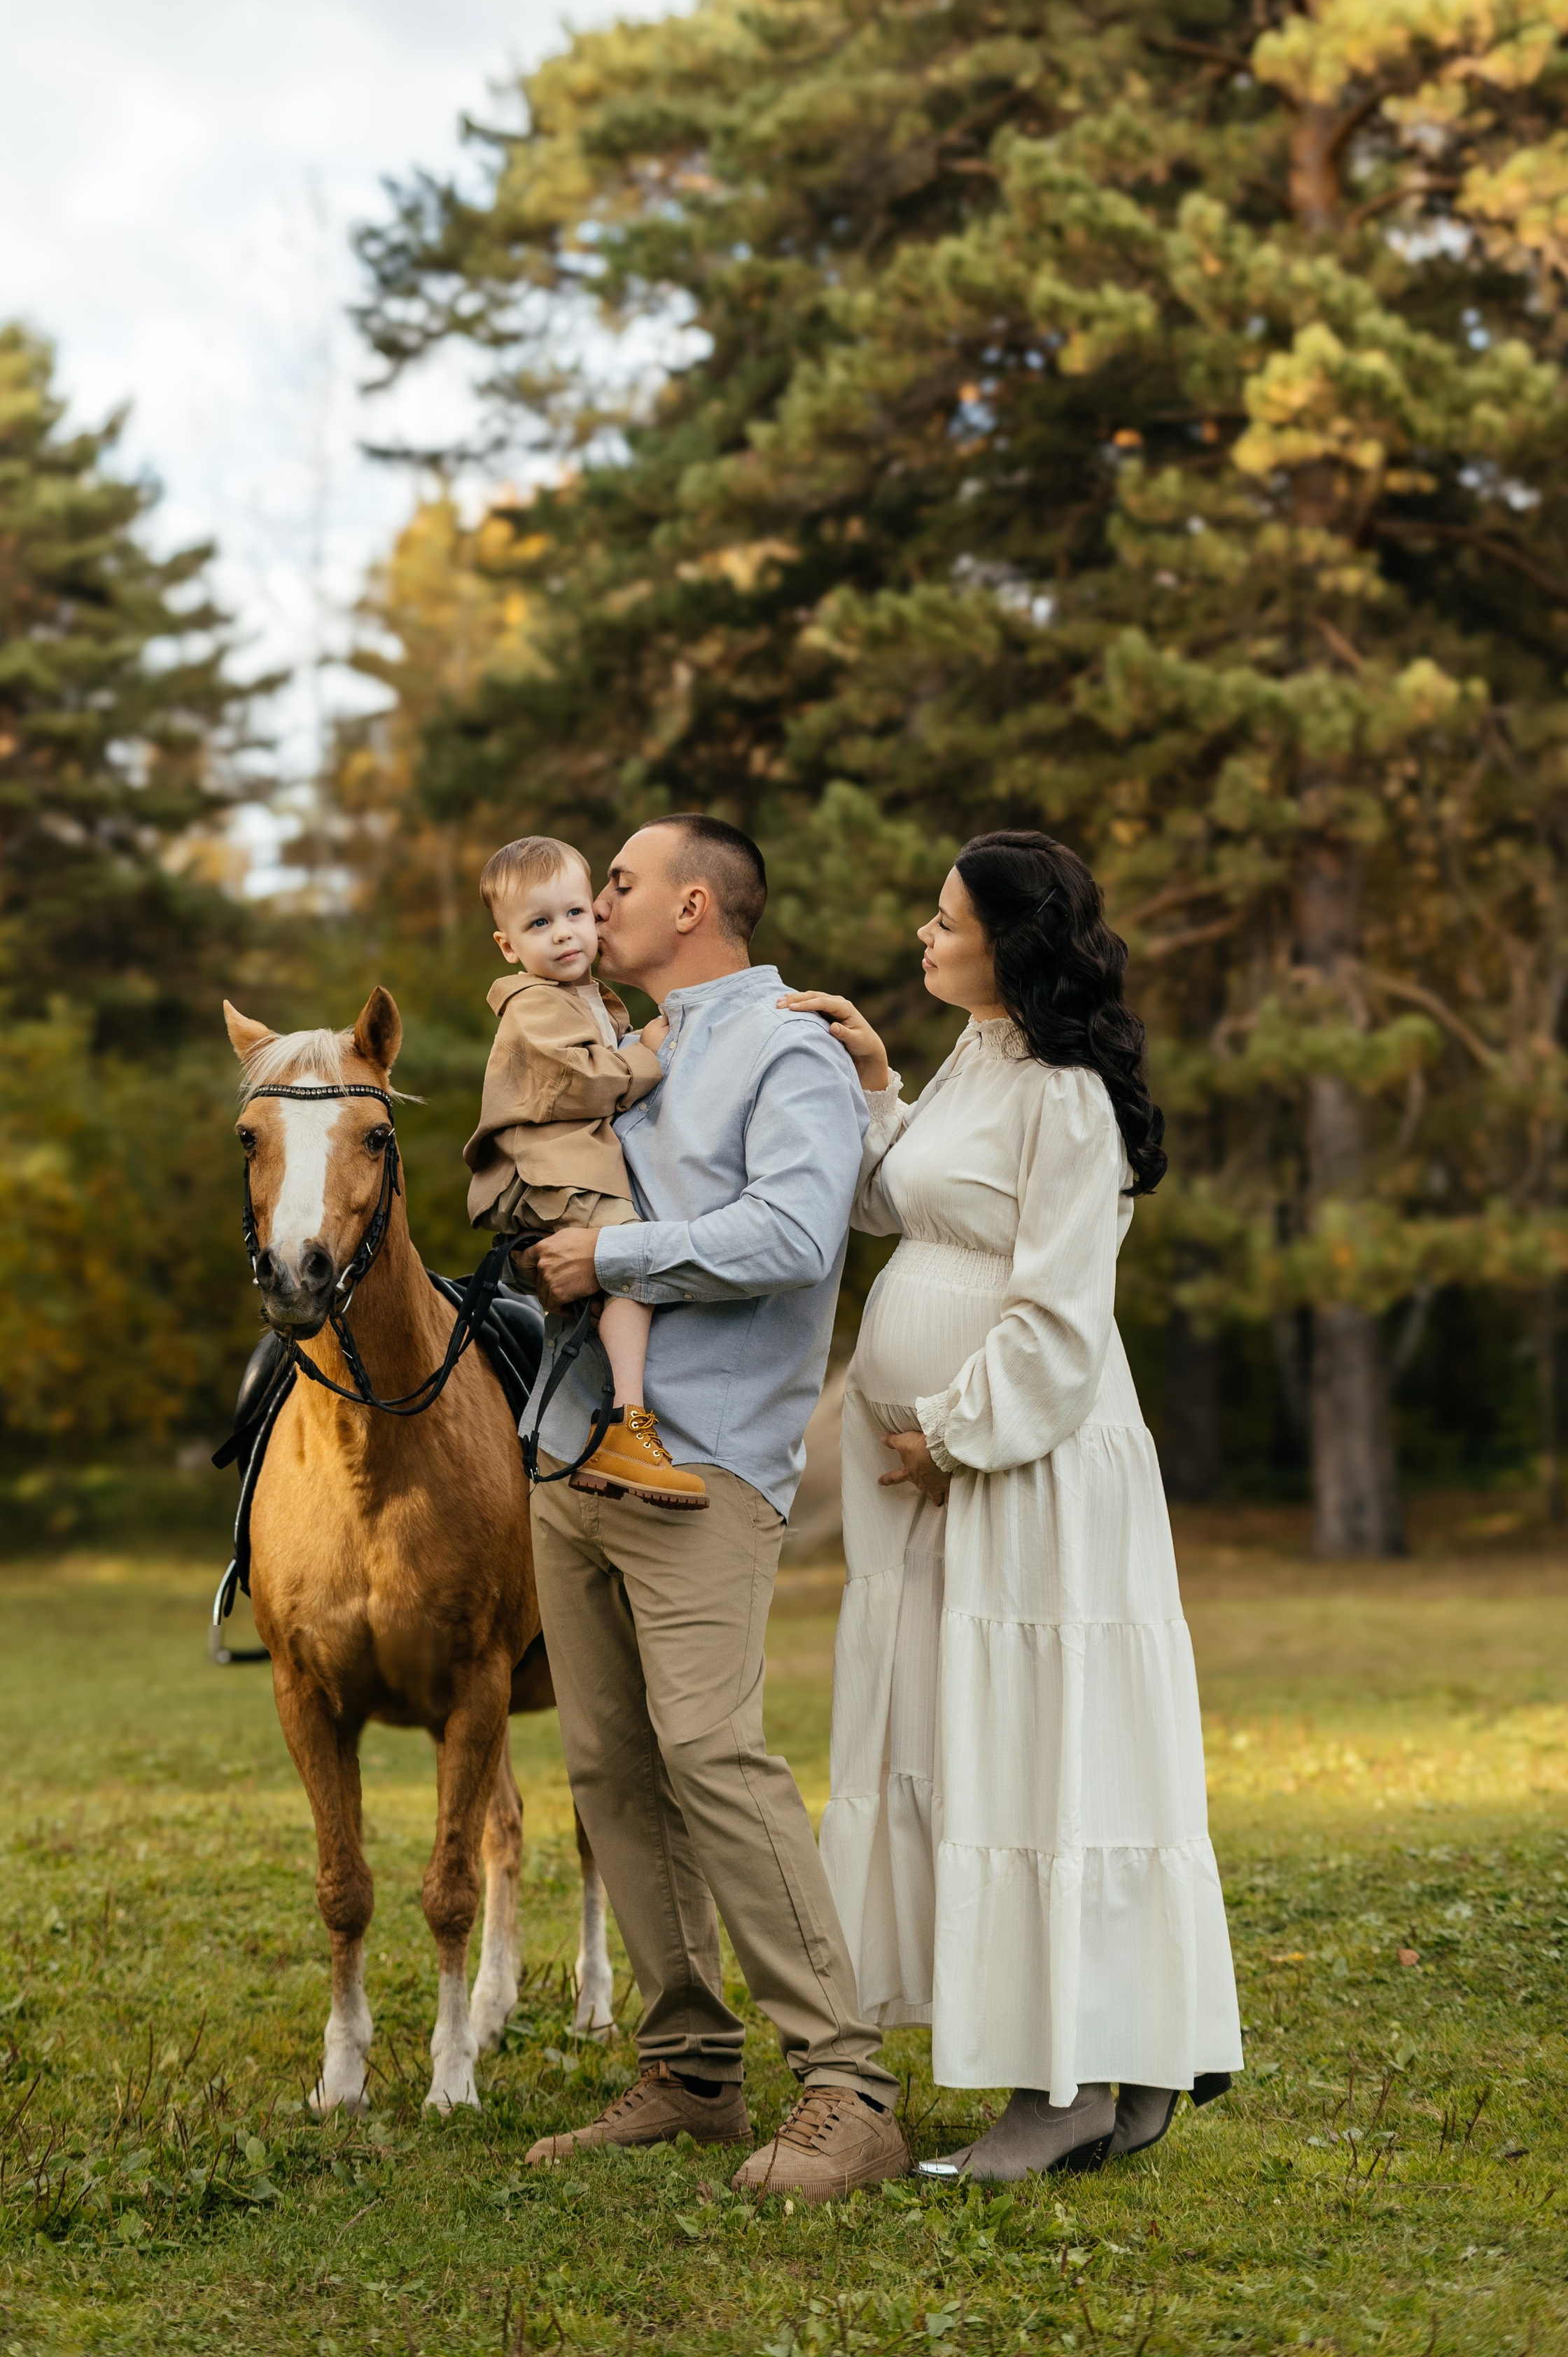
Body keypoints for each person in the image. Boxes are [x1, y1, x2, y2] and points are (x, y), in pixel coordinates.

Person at [782, 830, 1242, 2180]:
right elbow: (892, 1206)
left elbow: (1059, 1314)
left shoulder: (1069, 1098)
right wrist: (876, 1082)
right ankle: (1125, 2060)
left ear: (1010, 943)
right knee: (964, 1745)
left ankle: (1064, 2094)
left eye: (944, 921)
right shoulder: (976, 1060)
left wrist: (956, 1435)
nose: (923, 938)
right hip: (938, 1485)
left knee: (1041, 1755)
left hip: (1026, 1470)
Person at [517, 814, 910, 2200]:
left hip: (701, 1465)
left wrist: (612, 1251)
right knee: (611, 1770)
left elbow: (801, 1235)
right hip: (570, 1453)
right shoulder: (611, 1042)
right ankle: (689, 2071)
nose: (593, 900)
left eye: (616, 882)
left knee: (712, 1756)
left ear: (691, 904)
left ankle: (848, 2087)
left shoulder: (781, 1046)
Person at [465, 834, 706, 1506]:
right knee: (625, 1260)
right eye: (539, 925)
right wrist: (648, 1054)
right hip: (548, 1172)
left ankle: (598, 1438)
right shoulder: (534, 1003)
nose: (564, 935)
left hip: (566, 1166)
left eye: (574, 914)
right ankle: (629, 1422)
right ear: (509, 947)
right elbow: (583, 1080)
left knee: (599, 1289)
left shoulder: (585, 996)